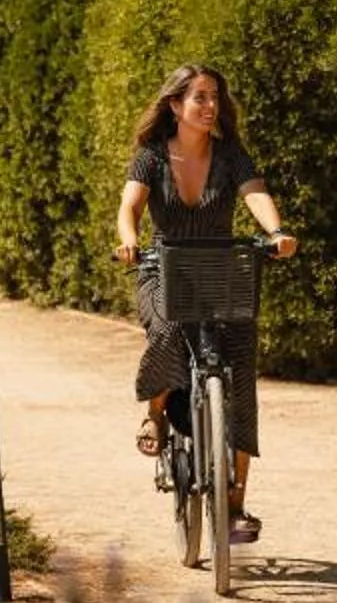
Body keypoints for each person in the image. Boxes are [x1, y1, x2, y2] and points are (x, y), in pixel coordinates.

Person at [115, 63, 295, 547]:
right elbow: (129, 208)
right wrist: (130, 241)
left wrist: (275, 233)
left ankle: (234, 506)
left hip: (220, 270)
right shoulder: (151, 157)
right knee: (169, 325)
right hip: (164, 268)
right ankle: (156, 411)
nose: (210, 105)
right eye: (199, 97)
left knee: (240, 374)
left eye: (214, 96)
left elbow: (256, 195)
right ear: (175, 105)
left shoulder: (230, 155)